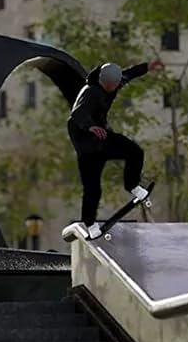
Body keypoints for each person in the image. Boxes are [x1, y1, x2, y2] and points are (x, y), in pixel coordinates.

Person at [68, 58, 164, 238]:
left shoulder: (116, 81)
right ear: (104, 83)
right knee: (92, 188)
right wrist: (90, 127)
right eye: (111, 87)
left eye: (116, 85)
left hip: (103, 138)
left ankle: (132, 185)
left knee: (135, 152)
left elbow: (130, 73)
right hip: (86, 145)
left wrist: (147, 67)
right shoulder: (90, 92)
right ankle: (89, 224)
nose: (114, 89)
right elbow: (77, 114)